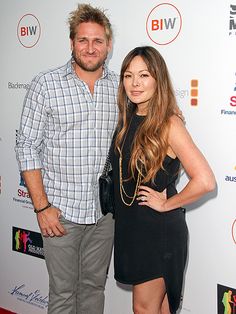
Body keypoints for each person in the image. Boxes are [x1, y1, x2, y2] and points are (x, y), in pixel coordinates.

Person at [15, 4, 118, 314]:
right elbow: (26, 146)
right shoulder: (45, 84)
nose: (90, 48)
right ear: (72, 42)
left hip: (104, 215)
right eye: (83, 40)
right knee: (62, 295)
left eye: (98, 41)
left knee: (93, 291)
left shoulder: (120, 87)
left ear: (108, 45)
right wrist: (42, 207)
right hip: (60, 213)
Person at [110, 46, 216, 314]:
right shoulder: (128, 119)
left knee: (144, 308)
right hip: (132, 228)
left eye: (144, 75)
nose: (135, 83)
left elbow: (205, 180)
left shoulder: (169, 124)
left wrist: (167, 203)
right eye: (128, 75)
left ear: (158, 79)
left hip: (158, 232)